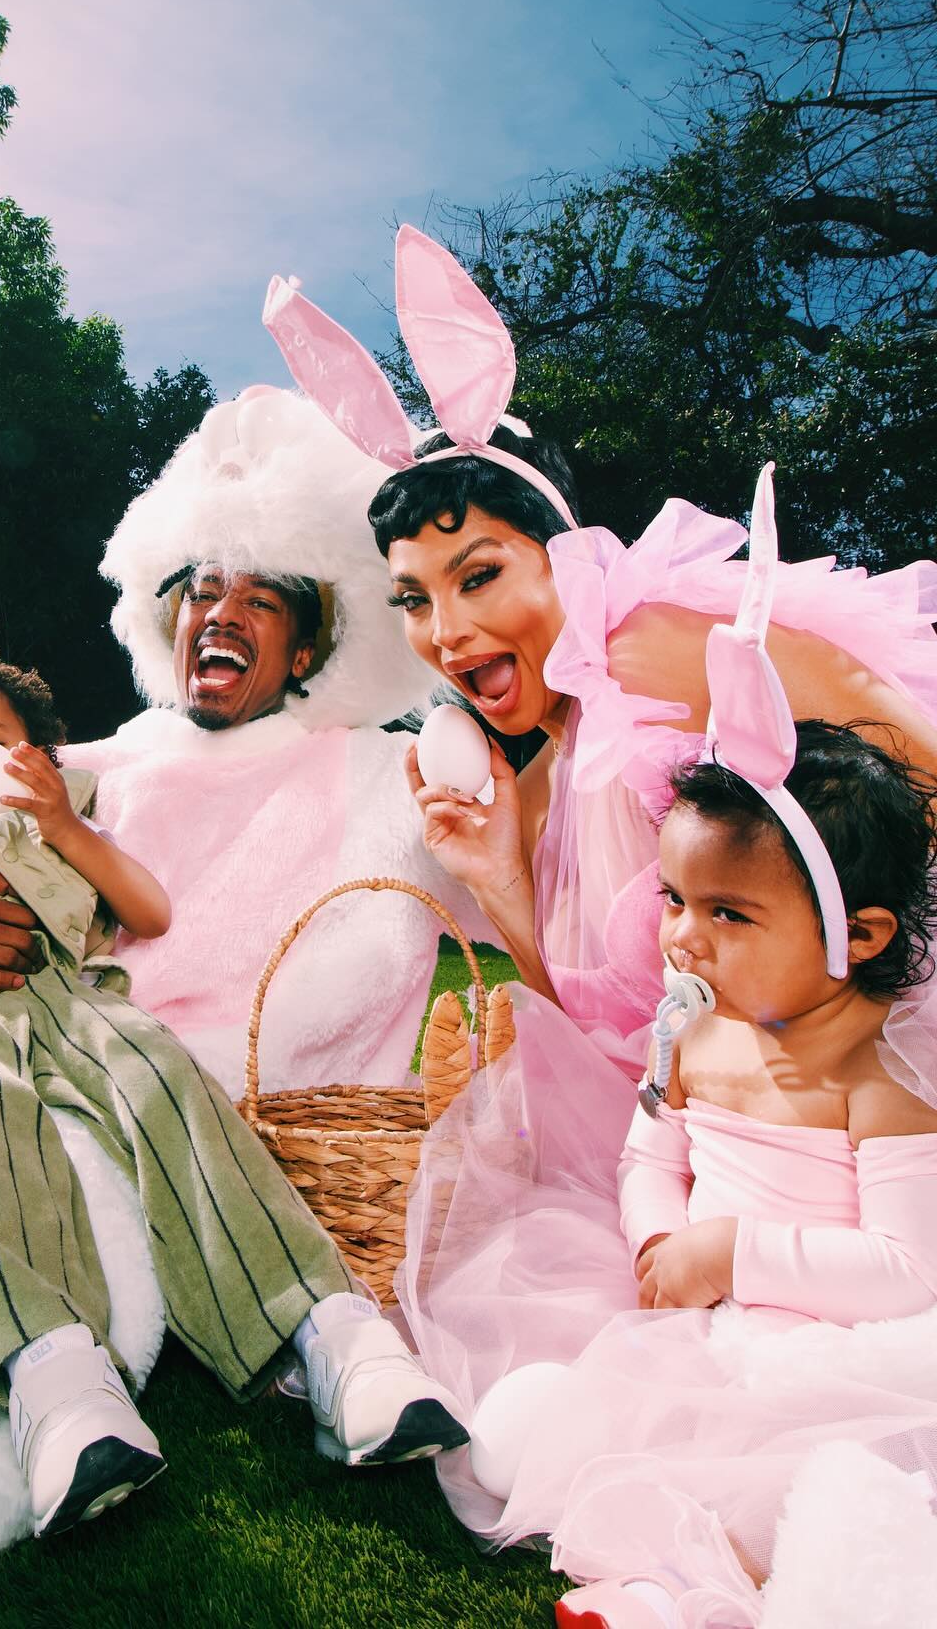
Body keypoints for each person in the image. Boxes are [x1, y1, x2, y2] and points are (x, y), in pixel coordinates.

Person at [264, 232, 937, 1620]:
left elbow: (903, 754)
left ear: (563, 547)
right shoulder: (556, 754)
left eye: (481, 575)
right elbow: (622, 1028)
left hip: (862, 1036)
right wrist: (504, 870)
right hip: (733, 1097)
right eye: (419, 602)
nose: (448, 630)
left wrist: (854, 982)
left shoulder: (646, 649)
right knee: (591, 1338)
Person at [0, 642, 469, 1538]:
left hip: (79, 1001)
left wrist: (66, 828)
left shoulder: (67, 815)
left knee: (165, 1078)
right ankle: (59, 1382)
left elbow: (147, 913)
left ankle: (332, 1332)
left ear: (40, 755)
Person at [0, 386, 493, 1101]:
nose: (222, 617)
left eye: (261, 601)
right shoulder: (80, 768)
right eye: (203, 595)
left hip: (268, 1129)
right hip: (60, 1081)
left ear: (304, 654)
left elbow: (546, 902)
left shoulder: (387, 775)